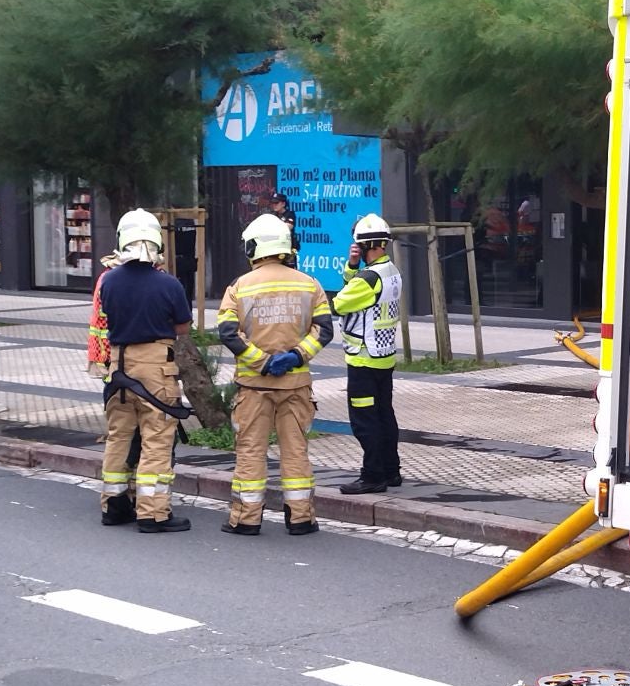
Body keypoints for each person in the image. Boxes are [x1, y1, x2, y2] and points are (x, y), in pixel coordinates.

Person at [217, 214, 333, 536]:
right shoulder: (309, 284)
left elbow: (228, 333)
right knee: (295, 450)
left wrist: (262, 363)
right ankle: (301, 518)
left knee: (251, 451)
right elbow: (323, 330)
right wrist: (295, 356)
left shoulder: (239, 287)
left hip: (254, 387)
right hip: (296, 384)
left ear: (254, 247)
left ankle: (246, 519)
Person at [99, 209, 193, 533]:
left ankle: (113, 505)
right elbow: (182, 326)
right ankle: (152, 513)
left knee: (118, 438)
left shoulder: (108, 281)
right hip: (155, 369)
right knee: (156, 440)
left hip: (118, 366)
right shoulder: (168, 283)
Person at [331, 214, 403, 495]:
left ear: (365, 245)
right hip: (384, 356)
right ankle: (391, 471)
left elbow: (340, 303)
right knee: (385, 414)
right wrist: (353, 267)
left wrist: (352, 270)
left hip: (362, 358)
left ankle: (372, 475)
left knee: (364, 420)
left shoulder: (367, 278)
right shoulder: (391, 272)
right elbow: (359, 292)